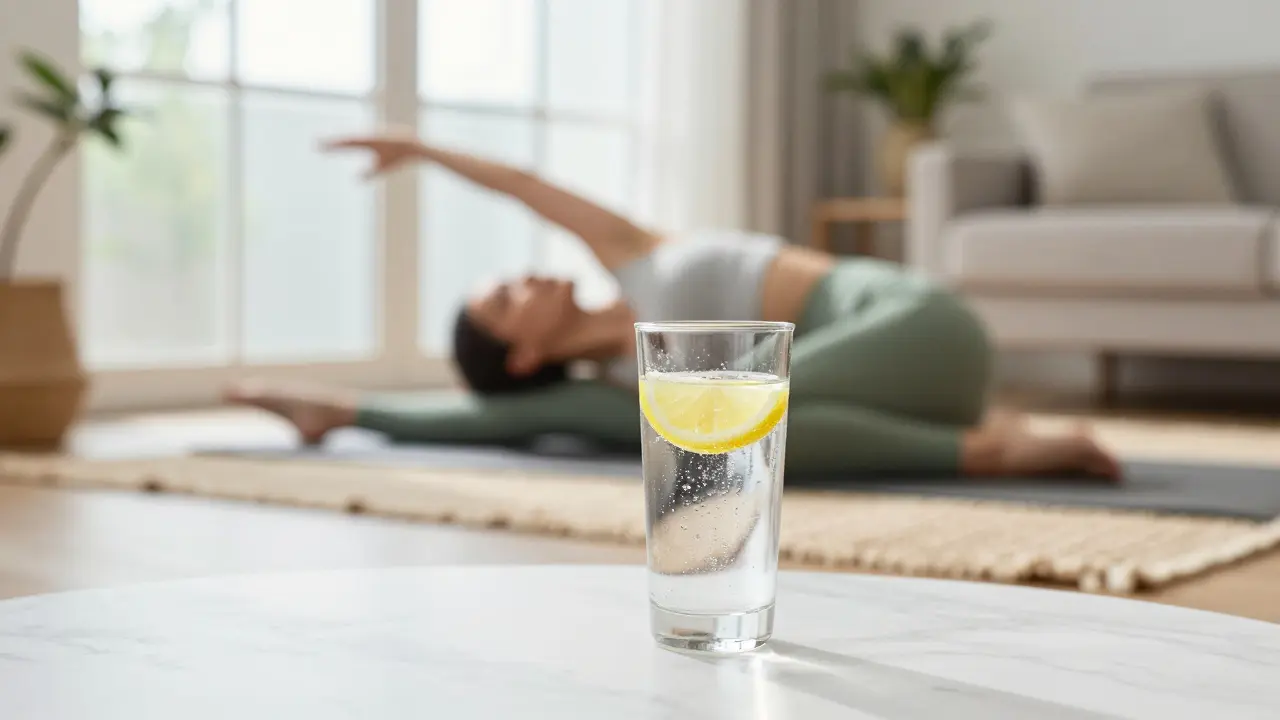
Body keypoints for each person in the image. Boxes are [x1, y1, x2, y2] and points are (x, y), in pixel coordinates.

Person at [226, 132, 1121, 481]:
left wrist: (419, 149)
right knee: (706, 421)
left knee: (721, 413)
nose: (524, 278)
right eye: (506, 298)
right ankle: (336, 410)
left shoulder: (633, 257)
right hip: (892, 403)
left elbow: (526, 185)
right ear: (526, 356)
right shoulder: (624, 383)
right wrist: (350, 408)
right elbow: (510, 420)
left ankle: (994, 450)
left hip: (918, 326)